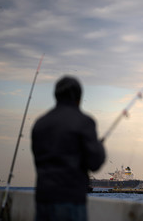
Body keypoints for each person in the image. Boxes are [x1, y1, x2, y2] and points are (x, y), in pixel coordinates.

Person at [32, 76, 105, 221]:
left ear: (56, 96)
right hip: (70, 200)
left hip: (42, 199)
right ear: (79, 97)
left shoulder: (39, 124)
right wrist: (99, 146)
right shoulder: (84, 122)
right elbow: (95, 162)